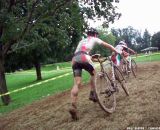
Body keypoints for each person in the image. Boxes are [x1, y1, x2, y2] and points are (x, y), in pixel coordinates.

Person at [69, 28, 120, 120]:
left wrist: (90, 58)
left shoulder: (82, 41)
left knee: (77, 83)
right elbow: (107, 45)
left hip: (74, 59)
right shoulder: (94, 39)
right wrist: (116, 51)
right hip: (84, 57)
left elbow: (81, 53)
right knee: (94, 74)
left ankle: (73, 105)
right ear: (95, 35)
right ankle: (92, 93)